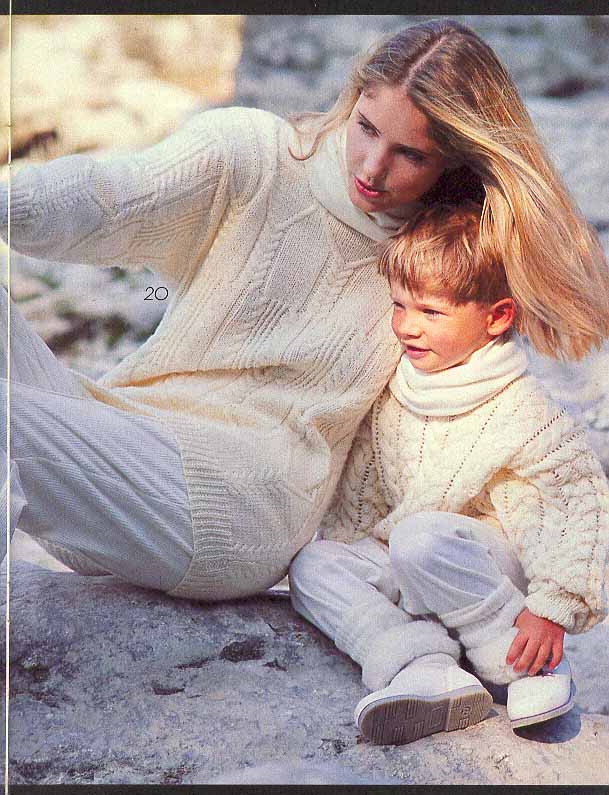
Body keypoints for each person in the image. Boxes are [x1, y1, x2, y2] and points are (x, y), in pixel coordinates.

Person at [2, 20, 608, 602]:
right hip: (121, 449)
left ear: (451, 161)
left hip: (237, 503)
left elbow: (487, 424)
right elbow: (105, 199)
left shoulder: (440, 263)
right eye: (366, 127)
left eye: (410, 155)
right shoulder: (254, 155)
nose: (372, 167)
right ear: (353, 97)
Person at [289, 202, 609, 746]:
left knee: (422, 539)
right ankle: (421, 664)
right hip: (406, 558)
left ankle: (519, 662)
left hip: (481, 569)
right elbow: (364, 482)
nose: (407, 326)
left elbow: (580, 505)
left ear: (496, 318)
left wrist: (551, 609)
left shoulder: (522, 410)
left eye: (431, 312)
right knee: (311, 566)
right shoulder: (397, 383)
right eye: (399, 305)